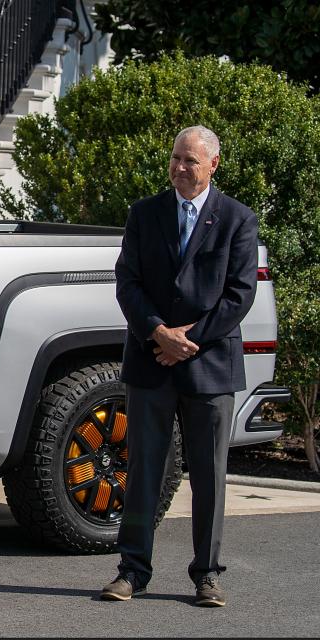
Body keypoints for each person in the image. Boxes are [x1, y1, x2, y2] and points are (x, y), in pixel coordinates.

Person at [102, 125, 259, 607]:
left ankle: (207, 575)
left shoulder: (237, 219)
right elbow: (126, 280)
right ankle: (132, 570)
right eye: (175, 158)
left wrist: (188, 340)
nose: (179, 167)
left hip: (207, 365)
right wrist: (158, 333)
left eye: (189, 161)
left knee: (208, 475)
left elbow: (240, 293)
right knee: (144, 469)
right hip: (151, 361)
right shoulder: (145, 214)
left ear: (213, 164)